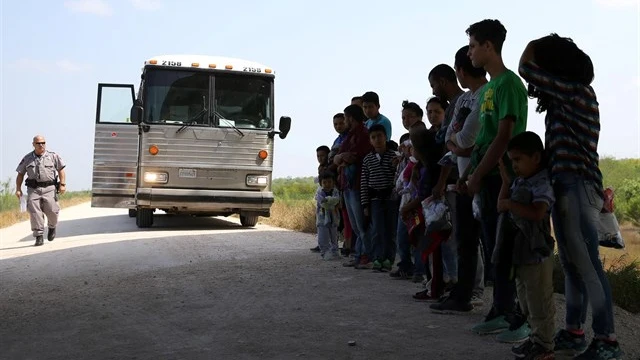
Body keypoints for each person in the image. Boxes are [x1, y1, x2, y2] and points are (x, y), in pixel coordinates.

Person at [518, 33, 623, 359]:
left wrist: (537, 45)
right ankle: (576, 332)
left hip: (577, 185)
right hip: (567, 185)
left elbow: (526, 68)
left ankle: (607, 341)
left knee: (587, 265)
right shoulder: (566, 101)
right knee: (573, 265)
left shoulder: (576, 93)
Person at [463, 19, 529, 342]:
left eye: (474, 45)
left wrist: (477, 174)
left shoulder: (509, 85)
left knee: (505, 248)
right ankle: (500, 309)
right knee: (492, 247)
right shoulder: (488, 89)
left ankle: (514, 314)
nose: (470, 52)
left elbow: (503, 137)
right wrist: (469, 172)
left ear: (489, 46)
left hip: (503, 179)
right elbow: (483, 138)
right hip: (485, 177)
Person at [431, 44, 489, 314]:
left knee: (483, 240)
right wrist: (460, 145)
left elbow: (466, 139)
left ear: (460, 71)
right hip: (464, 176)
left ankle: (482, 295)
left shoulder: (487, 95)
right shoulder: (467, 99)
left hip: (482, 175)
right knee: (465, 238)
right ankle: (463, 292)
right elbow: (453, 138)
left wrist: (460, 144)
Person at [497, 132, 556, 360]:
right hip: (520, 252)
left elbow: (537, 212)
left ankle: (545, 345)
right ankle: (534, 339)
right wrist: (506, 183)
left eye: (518, 160)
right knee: (526, 300)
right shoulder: (521, 181)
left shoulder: (542, 182)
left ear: (536, 158)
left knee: (540, 300)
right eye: (512, 161)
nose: (515, 165)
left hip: (536, 252)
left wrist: (511, 204)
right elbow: (500, 206)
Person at [335, 104, 373, 268]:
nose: (345, 120)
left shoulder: (364, 134)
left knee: (361, 224)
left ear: (351, 117)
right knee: (356, 225)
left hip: (358, 183)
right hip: (348, 184)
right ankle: (359, 255)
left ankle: (366, 256)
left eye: (346, 117)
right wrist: (343, 158)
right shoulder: (350, 135)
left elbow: (354, 157)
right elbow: (339, 158)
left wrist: (343, 158)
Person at [15, 135, 66, 247]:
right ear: (33, 144)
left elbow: (61, 170)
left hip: (50, 188)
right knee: (35, 212)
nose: (41, 145)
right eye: (38, 143)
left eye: (43, 142)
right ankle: (38, 236)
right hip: (33, 189)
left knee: (53, 210)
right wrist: (18, 189)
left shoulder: (53, 156)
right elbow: (20, 175)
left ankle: (52, 227)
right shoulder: (27, 158)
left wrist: (62, 184)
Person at [360, 124, 397, 272]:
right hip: (374, 200)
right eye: (373, 137)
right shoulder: (368, 159)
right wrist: (365, 205)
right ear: (370, 140)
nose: (377, 140)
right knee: (377, 231)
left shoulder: (394, 156)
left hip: (391, 199)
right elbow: (364, 183)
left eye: (380, 136)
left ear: (385, 137)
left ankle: (389, 259)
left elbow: (398, 177)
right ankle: (377, 258)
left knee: (390, 230)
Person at [315, 171, 341, 261]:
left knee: (334, 235)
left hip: (334, 218)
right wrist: (331, 202)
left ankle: (335, 251)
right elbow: (322, 203)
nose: (327, 184)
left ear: (333, 182)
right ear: (321, 183)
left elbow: (337, 200)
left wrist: (329, 201)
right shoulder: (319, 192)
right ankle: (325, 252)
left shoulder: (335, 191)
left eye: (329, 182)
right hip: (322, 219)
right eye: (324, 182)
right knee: (323, 236)